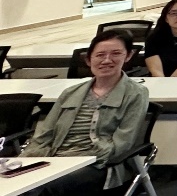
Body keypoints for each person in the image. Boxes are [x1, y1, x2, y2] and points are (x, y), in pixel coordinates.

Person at [21, 30, 149, 195]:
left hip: (98, 163)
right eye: (100, 55)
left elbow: (123, 143)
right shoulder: (71, 92)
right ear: (89, 60)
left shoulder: (136, 93)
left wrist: (80, 159)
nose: (107, 60)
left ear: (128, 56)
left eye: (116, 53)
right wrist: (25, 161)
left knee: (44, 188)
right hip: (56, 159)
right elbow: (45, 134)